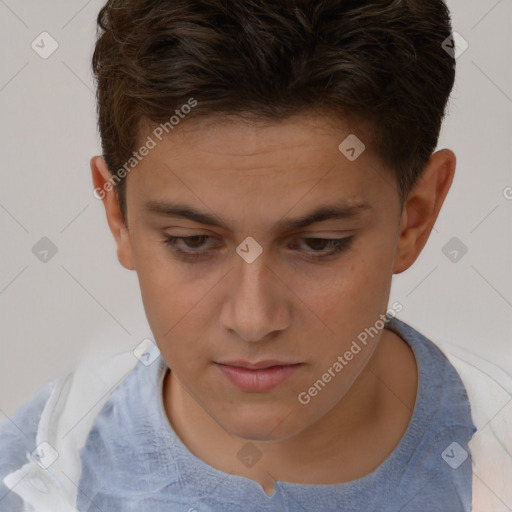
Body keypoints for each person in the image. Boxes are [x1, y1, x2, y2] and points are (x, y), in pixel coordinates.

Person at [1, 1, 511, 511]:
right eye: (193, 241)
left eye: (318, 244)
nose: (253, 320)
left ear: (415, 217)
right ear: (119, 215)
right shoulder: (31, 473)